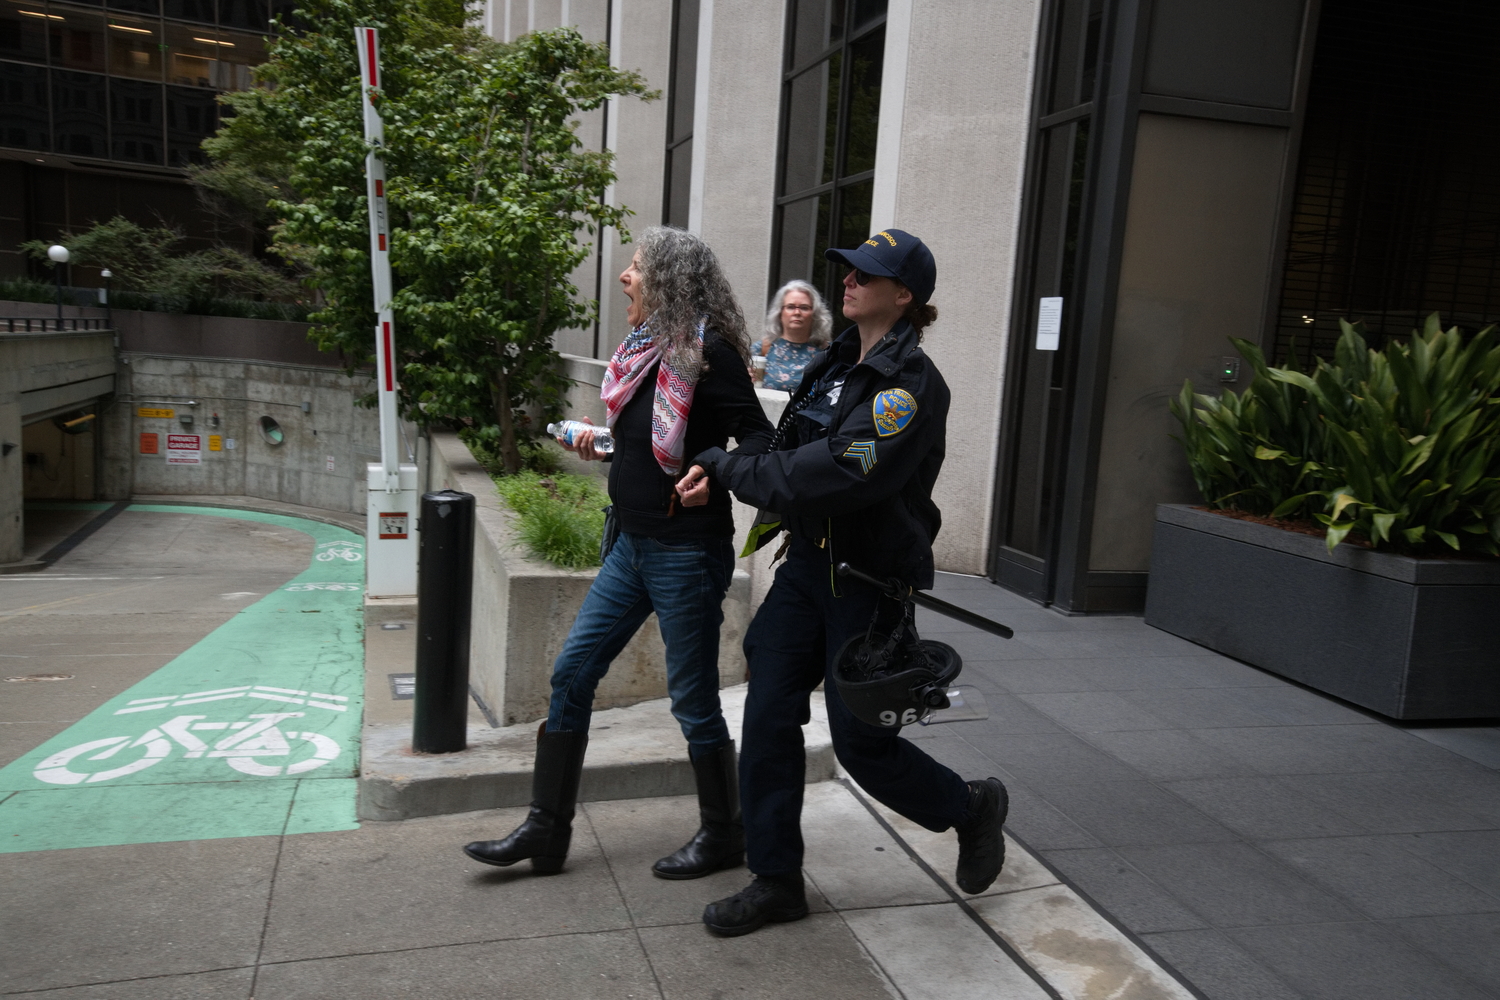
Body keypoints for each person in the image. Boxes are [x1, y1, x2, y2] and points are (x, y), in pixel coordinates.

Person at [674, 229, 1008, 936]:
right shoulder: (833, 364)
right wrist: (729, 465)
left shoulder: (909, 387)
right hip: (806, 569)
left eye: (866, 274)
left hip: (867, 584)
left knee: (862, 747)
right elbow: (787, 449)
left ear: (904, 294)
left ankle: (970, 806)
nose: (848, 281)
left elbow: (834, 472)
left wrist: (728, 466)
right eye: (848, 271)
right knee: (768, 717)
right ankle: (776, 880)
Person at [463, 227, 774, 880]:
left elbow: (760, 442)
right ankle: (546, 831)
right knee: (571, 674)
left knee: (692, 699)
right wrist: (601, 443)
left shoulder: (709, 354)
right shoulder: (644, 351)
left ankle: (725, 833)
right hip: (632, 545)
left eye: (637, 268)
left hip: (686, 553)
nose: (625, 277)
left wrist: (714, 470)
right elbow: (647, 444)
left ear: (669, 281)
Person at [755, 279, 832, 390]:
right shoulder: (761, 349)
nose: (797, 313)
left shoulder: (829, 353)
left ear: (815, 314)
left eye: (804, 308)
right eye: (790, 307)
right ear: (780, 313)